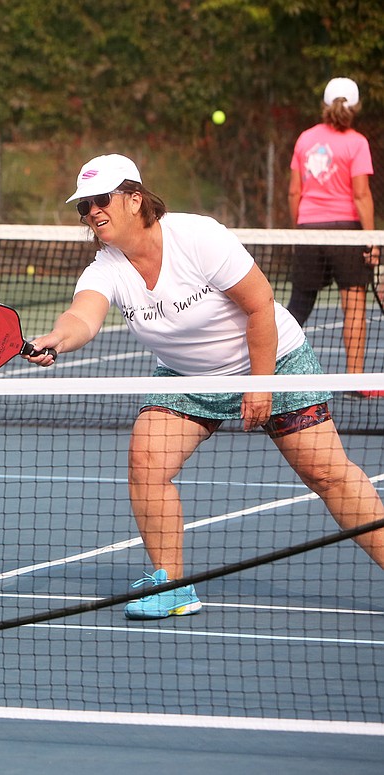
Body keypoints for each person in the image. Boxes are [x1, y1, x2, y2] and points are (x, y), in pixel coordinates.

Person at [26, 153, 384, 619]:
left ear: (135, 200)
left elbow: (260, 306)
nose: (92, 212)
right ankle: (175, 586)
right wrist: (57, 337)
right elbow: (82, 316)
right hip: (189, 376)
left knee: (329, 475)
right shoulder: (107, 267)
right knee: (147, 460)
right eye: (83, 206)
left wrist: (261, 385)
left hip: (273, 358)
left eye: (101, 200)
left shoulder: (198, 236)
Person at [287, 77, 381, 394]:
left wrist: (299, 230)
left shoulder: (304, 139)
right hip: (347, 233)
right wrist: (371, 240)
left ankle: (264, 374)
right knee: (354, 308)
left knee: (298, 306)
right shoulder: (357, 142)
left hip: (309, 231)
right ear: (355, 107)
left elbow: (293, 192)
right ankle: (355, 380)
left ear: (325, 105)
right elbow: (361, 196)